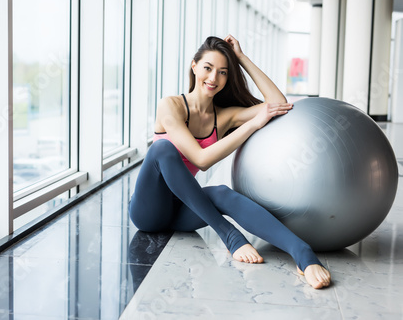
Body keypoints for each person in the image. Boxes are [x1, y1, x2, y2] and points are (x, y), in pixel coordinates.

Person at [128, 35, 331, 289]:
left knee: (223, 193)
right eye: (208, 68)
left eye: (223, 72)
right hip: (147, 212)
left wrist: (242, 59)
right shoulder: (170, 106)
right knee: (162, 149)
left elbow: (278, 105)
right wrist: (253, 124)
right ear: (194, 66)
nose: (213, 78)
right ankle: (230, 235)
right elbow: (201, 160)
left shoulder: (224, 117)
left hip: (182, 211)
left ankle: (303, 254)